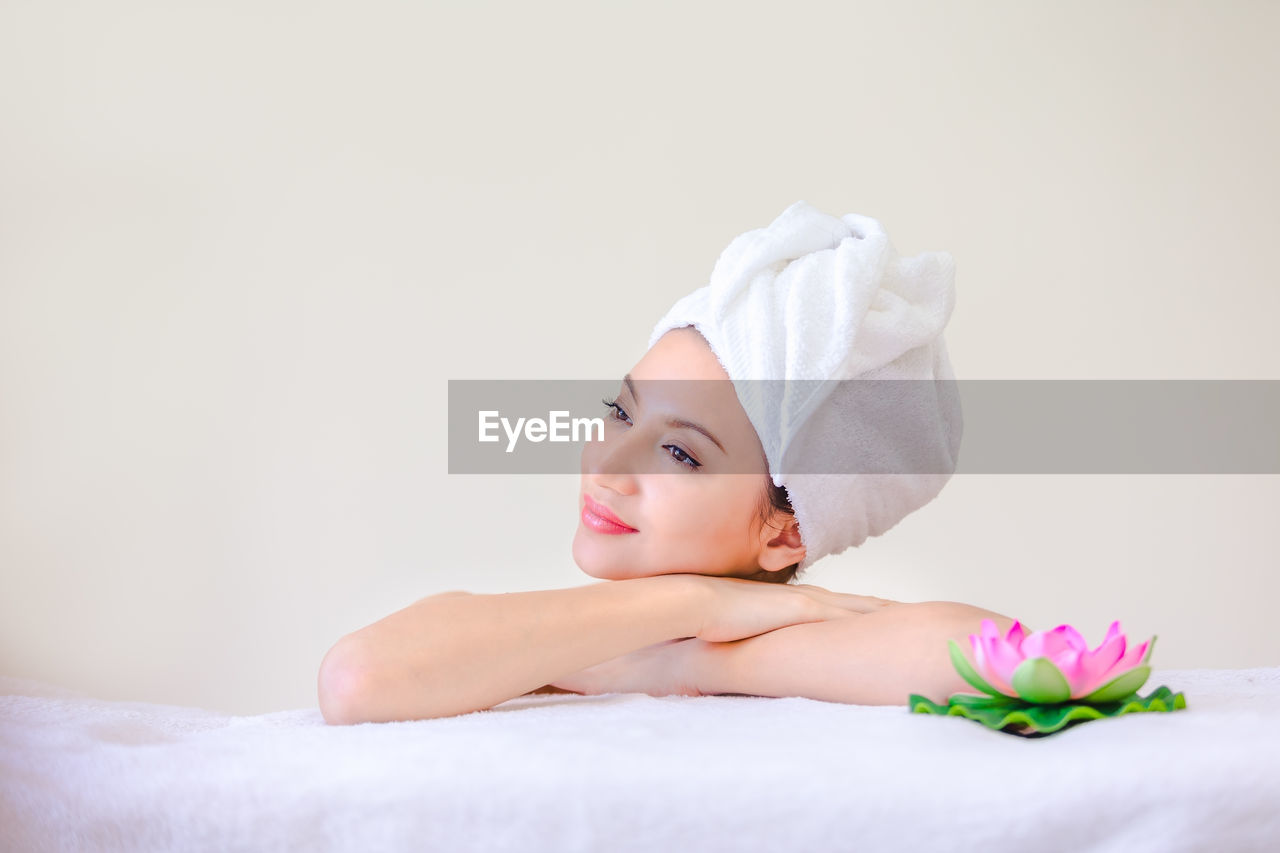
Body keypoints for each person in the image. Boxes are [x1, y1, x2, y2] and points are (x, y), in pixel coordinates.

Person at [317, 203, 1020, 725]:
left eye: (681, 453)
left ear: (784, 533)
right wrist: (699, 601)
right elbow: (357, 677)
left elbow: (1002, 656)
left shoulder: (812, 638)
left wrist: (683, 659)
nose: (609, 466)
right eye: (621, 411)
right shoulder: (554, 641)